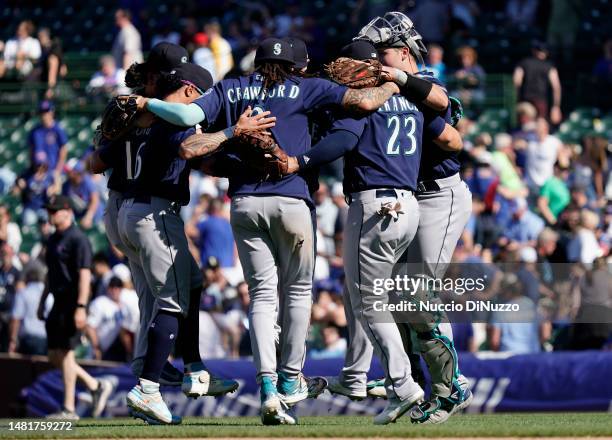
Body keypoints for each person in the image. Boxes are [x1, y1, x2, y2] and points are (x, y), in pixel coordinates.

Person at [137, 36, 410, 425]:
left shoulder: (230, 88)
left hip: (245, 204)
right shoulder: (307, 86)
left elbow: (188, 139)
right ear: (297, 66)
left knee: (262, 296)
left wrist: (230, 131)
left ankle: (266, 388)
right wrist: (393, 80)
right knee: (297, 293)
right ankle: (289, 380)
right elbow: (366, 103)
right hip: (292, 201)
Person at [280, 34, 462, 425]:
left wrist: (299, 161)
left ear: (365, 69)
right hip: (410, 205)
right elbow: (450, 138)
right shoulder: (410, 99)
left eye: (350, 64)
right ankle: (416, 380)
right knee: (397, 299)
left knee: (369, 302)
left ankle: (404, 384)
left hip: (375, 205)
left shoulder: (361, 104)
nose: (343, 70)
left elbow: (342, 141)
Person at [107, 63, 268, 424]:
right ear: (191, 92)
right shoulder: (173, 119)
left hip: (133, 209)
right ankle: (147, 388)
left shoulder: (146, 118)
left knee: (192, 283)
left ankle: (194, 369)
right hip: (154, 212)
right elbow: (191, 151)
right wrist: (234, 130)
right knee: (172, 300)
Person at [36, 195, 112, 420]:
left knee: (67, 354)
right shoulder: (52, 240)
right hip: (57, 302)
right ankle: (95, 385)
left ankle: (68, 409)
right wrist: (43, 300)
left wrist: (81, 306)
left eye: (55, 210)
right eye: (49, 210)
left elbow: (85, 275)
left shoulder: (78, 239)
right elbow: (51, 274)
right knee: (53, 355)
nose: (51, 214)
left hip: (72, 301)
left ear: (67, 211)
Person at [85, 276, 139, 361]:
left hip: (119, 348)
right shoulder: (100, 303)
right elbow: (90, 327)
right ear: (108, 288)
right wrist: (96, 348)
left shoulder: (126, 303)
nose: (114, 290)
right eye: (112, 287)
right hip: (101, 349)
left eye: (117, 287)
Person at [513, 42, 562, 124]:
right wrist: (556, 107)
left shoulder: (524, 63)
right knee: (540, 123)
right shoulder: (549, 65)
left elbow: (517, 81)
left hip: (526, 100)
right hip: (541, 101)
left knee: (526, 125)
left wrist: (517, 100)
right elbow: (556, 87)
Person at [9, 263, 51, 355]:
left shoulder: (23, 293)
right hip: (46, 338)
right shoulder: (49, 296)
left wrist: (13, 340)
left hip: (29, 340)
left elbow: (16, 318)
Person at [28, 101, 68, 190]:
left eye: (46, 111)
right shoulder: (35, 131)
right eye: (42, 112)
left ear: (51, 112)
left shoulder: (58, 129)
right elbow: (31, 152)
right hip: (39, 172)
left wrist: (57, 171)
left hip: (54, 171)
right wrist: (35, 170)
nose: (44, 114)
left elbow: (63, 151)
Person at [194, 198, 234, 268]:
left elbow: (188, 231)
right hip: (228, 267)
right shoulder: (229, 224)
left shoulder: (207, 222)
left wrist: (196, 214)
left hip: (210, 268)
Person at [36, 28, 66, 99]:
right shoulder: (43, 50)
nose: (40, 40)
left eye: (41, 37)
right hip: (43, 84)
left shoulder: (52, 55)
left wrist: (50, 89)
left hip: (52, 88)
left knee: (47, 108)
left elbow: (53, 70)